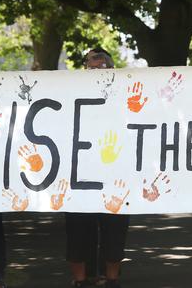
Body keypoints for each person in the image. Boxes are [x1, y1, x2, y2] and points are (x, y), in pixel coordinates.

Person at [65, 47, 129, 288]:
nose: (94, 69)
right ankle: (81, 280)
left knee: (114, 228)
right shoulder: (70, 93)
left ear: (110, 68)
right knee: (78, 229)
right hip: (79, 174)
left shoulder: (123, 95)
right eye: (89, 66)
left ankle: (111, 279)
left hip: (115, 175)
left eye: (100, 65)